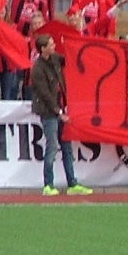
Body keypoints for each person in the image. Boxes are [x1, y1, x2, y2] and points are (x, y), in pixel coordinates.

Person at [30, 34, 92, 196]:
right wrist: (59, 112)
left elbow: (72, 58)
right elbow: (45, 95)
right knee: (52, 147)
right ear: (43, 49)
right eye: (51, 44)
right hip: (49, 112)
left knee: (67, 148)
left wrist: (76, 44)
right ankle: (48, 185)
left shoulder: (56, 59)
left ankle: (72, 183)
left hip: (61, 108)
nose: (54, 46)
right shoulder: (37, 68)